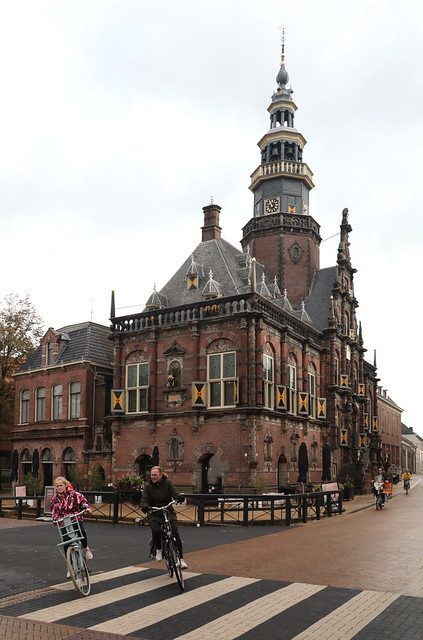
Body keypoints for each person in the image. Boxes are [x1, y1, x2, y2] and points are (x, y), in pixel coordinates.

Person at [141, 466, 187, 569]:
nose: (153, 477)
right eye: (152, 475)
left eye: (155, 475)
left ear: (161, 475)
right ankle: (158, 550)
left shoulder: (167, 483)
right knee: (156, 530)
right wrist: (145, 506)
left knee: (175, 533)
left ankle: (181, 560)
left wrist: (178, 497)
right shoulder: (148, 487)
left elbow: (174, 492)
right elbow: (145, 499)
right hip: (155, 512)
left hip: (168, 511)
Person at [50, 476, 93, 576]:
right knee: (66, 542)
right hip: (63, 522)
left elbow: (83, 501)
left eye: (61, 485)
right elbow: (54, 512)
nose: (59, 488)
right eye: (57, 486)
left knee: (81, 532)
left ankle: (86, 549)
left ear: (65, 485)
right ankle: (70, 567)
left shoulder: (73, 494)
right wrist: (54, 519)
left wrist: (87, 508)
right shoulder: (54, 499)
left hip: (75, 518)